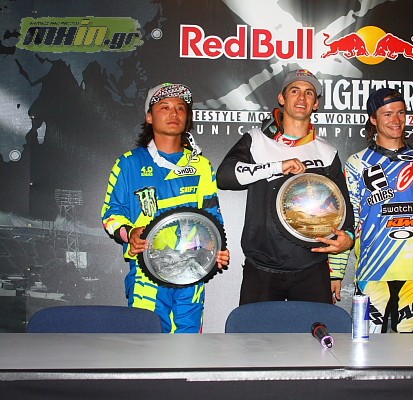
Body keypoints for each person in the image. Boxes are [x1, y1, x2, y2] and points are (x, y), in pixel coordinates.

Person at [216, 68, 354, 305]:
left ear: (316, 104)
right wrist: (276, 167)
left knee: (317, 331)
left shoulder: (327, 152)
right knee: (254, 332)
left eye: (309, 93)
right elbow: (224, 176)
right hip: (262, 269)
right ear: (281, 98)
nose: (302, 98)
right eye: (295, 91)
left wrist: (348, 238)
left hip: (312, 268)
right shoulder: (256, 140)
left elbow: (344, 208)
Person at [101, 83, 230, 333]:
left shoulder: (201, 165)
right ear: (149, 117)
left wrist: (217, 248)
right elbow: (111, 214)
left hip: (191, 272)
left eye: (181, 108)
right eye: (165, 107)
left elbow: (212, 216)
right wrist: (130, 233)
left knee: (189, 345)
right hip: (146, 272)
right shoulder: (129, 163)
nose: (174, 113)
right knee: (147, 343)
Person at [334, 87, 413, 333]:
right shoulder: (357, 163)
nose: (396, 120)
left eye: (401, 113)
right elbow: (348, 219)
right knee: (365, 345)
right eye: (387, 114)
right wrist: (336, 271)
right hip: (372, 271)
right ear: (373, 119)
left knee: (412, 350)